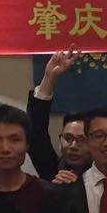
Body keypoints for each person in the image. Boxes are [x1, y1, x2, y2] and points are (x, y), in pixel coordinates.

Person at [25, 47, 89, 182]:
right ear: (60, 140)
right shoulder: (52, 170)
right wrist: (50, 77)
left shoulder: (106, 175)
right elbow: (35, 131)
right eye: (68, 138)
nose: (73, 146)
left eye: (81, 139)